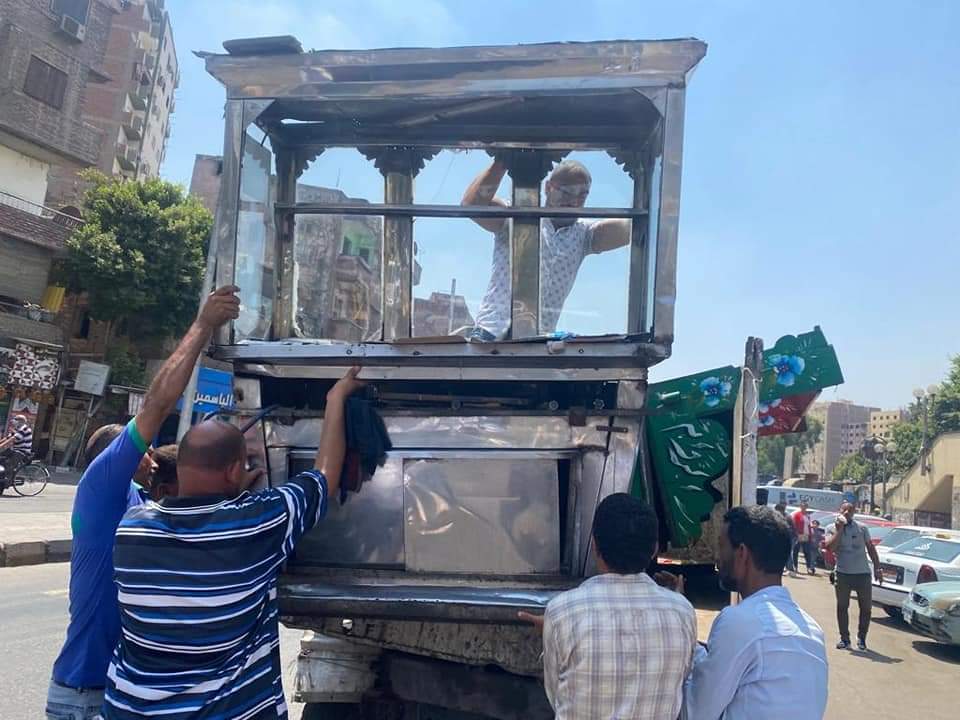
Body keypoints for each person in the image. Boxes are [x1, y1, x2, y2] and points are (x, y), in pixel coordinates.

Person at [101, 367, 364, 719]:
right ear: (232, 472)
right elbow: (324, 477)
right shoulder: (255, 525)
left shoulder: (132, 529)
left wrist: (230, 491)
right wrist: (337, 397)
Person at [45, 286, 240, 720]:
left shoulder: (137, 504)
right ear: (118, 458)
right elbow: (157, 405)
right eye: (144, 452)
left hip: (118, 695)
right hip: (83, 695)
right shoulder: (100, 487)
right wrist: (203, 325)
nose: (151, 458)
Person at [518, 493, 697, 720]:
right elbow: (683, 681)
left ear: (594, 545)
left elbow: (556, 696)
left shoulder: (562, 611)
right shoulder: (682, 611)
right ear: (654, 549)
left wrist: (558, 630)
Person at [658, 505, 828, 720]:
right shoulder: (813, 630)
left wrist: (679, 614)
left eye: (722, 547)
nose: (718, 558)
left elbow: (695, 713)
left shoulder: (740, 621)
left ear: (742, 554)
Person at [461, 158, 631, 340]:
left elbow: (634, 228)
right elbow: (472, 205)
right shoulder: (515, 217)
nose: (574, 201)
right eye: (567, 192)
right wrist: (504, 159)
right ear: (548, 188)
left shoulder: (585, 235)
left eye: (583, 194)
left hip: (538, 342)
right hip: (491, 334)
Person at [824, 501, 884, 651]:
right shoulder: (831, 528)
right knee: (842, 606)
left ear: (853, 513)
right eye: (844, 510)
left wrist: (877, 567)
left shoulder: (862, 528)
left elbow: (870, 548)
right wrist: (839, 529)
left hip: (862, 574)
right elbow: (830, 547)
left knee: (866, 608)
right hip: (843, 574)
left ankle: (862, 638)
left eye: (850, 511)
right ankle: (844, 639)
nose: (846, 513)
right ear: (839, 511)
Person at [791, 501, 816, 575]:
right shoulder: (797, 515)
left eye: (805, 506)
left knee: (807, 552)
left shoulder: (807, 515)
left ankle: (809, 568)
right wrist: (796, 534)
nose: (804, 507)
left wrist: (811, 535)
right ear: (800, 507)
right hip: (799, 535)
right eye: (802, 506)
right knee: (796, 551)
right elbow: (794, 525)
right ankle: (795, 566)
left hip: (806, 535)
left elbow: (809, 526)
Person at [775, 502, 798, 576]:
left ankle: (791, 570)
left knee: (787, 553)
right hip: (789, 536)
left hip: (791, 537)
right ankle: (785, 568)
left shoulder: (786, 517)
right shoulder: (783, 516)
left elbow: (788, 529)